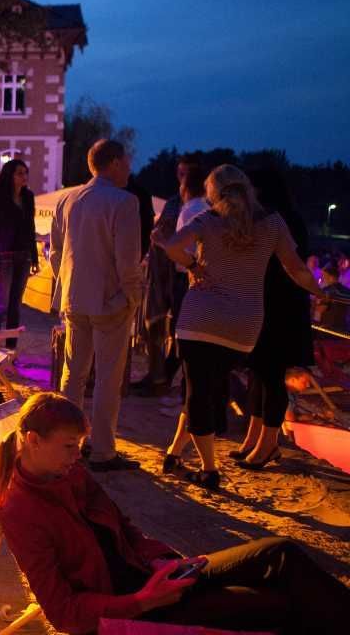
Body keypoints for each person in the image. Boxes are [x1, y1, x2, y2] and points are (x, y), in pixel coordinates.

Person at [0, 393, 350, 635]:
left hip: (151, 575)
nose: (76, 457)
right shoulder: (22, 513)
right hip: (131, 605)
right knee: (275, 604)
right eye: (69, 447)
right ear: (33, 441)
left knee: (279, 552)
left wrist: (160, 560)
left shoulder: (69, 473)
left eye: (79, 447)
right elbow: (62, 612)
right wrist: (141, 601)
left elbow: (124, 529)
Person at [153, 165, 325, 490]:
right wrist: (321, 293)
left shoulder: (207, 221)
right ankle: (175, 452)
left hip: (199, 320)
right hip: (244, 327)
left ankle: (208, 469)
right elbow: (298, 270)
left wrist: (193, 265)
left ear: (213, 193)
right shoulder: (272, 224)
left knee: (197, 392)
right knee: (203, 390)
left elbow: (173, 246)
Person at [51, 139, 143, 472]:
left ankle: (63, 444)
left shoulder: (67, 198)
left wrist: (66, 286)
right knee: (107, 378)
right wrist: (133, 296)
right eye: (127, 161)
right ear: (115, 163)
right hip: (110, 302)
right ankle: (103, 450)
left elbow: (55, 253)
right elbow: (128, 260)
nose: (130, 168)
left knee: (72, 375)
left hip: (75, 298)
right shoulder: (124, 203)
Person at [233, 169, 314, 469]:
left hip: (278, 310)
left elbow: (289, 267)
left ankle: (268, 443)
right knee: (259, 373)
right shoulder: (279, 219)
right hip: (269, 305)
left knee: (270, 374)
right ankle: (256, 438)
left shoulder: (279, 221)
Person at [135, 154, 202, 395]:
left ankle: (170, 380)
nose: (181, 178)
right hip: (161, 272)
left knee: (181, 330)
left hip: (182, 274)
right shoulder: (174, 203)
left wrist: (163, 241)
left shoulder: (197, 207)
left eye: (186, 174)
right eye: (180, 173)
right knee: (153, 324)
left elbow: (179, 245)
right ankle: (158, 375)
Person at [0, 159, 40, 348]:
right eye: (20, 173)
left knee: (15, 306)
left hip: (23, 256)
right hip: (4, 256)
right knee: (1, 303)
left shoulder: (28, 197)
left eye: (25, 172)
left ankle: (10, 350)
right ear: (10, 175)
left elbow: (30, 228)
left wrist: (34, 256)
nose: (24, 176)